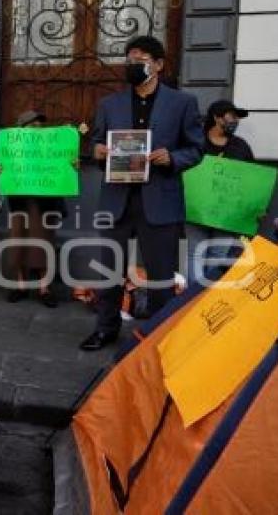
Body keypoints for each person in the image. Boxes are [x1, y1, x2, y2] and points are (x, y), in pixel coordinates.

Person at [80, 35, 204, 351]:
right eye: (130, 58)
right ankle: (106, 329)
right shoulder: (110, 104)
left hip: (159, 200)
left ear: (159, 65)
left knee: (161, 276)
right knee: (109, 271)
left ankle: (161, 337)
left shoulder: (182, 103)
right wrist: (96, 150)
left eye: (142, 59)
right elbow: (93, 144)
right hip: (116, 200)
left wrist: (172, 158)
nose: (135, 64)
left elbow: (196, 149)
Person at [0, 110, 72, 308]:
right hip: (19, 203)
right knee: (18, 242)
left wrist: (71, 164)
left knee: (43, 243)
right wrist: (0, 171)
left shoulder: (51, 150)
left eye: (40, 127)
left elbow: (65, 171)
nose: (37, 130)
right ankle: (21, 286)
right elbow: (4, 172)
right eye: (32, 126)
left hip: (44, 204)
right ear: (21, 129)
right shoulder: (12, 150)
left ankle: (44, 289)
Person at [185, 99, 254, 285]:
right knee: (194, 253)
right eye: (232, 116)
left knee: (219, 254)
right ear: (216, 117)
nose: (236, 121)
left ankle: (208, 298)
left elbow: (252, 179)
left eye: (238, 118)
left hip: (227, 215)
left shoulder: (241, 146)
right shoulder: (196, 142)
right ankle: (191, 300)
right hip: (195, 212)